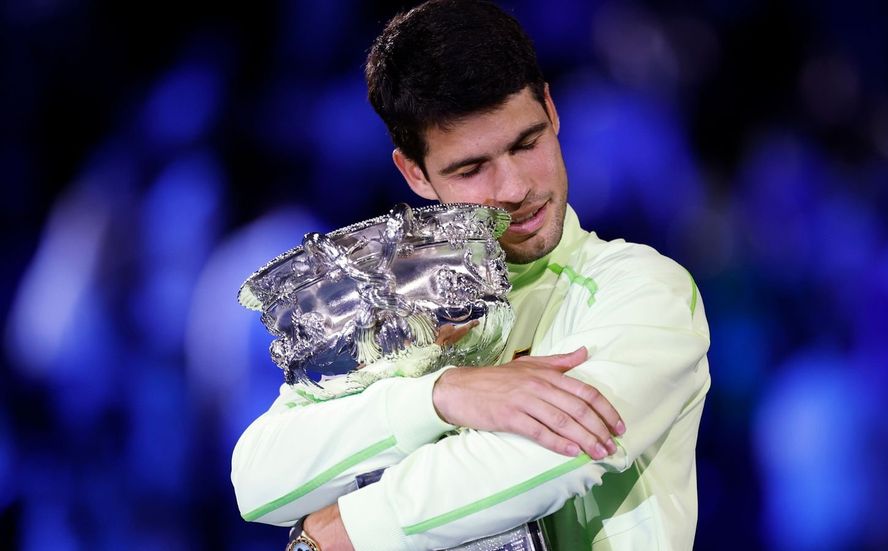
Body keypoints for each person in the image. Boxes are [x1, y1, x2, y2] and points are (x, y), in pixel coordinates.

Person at [230, 1, 711, 549]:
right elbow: (259, 478)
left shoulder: (643, 290)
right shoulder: (387, 295)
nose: (513, 188)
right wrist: (441, 396)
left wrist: (342, 531)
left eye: (526, 143)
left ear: (552, 111)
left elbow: (561, 454)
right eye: (471, 168)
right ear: (414, 172)